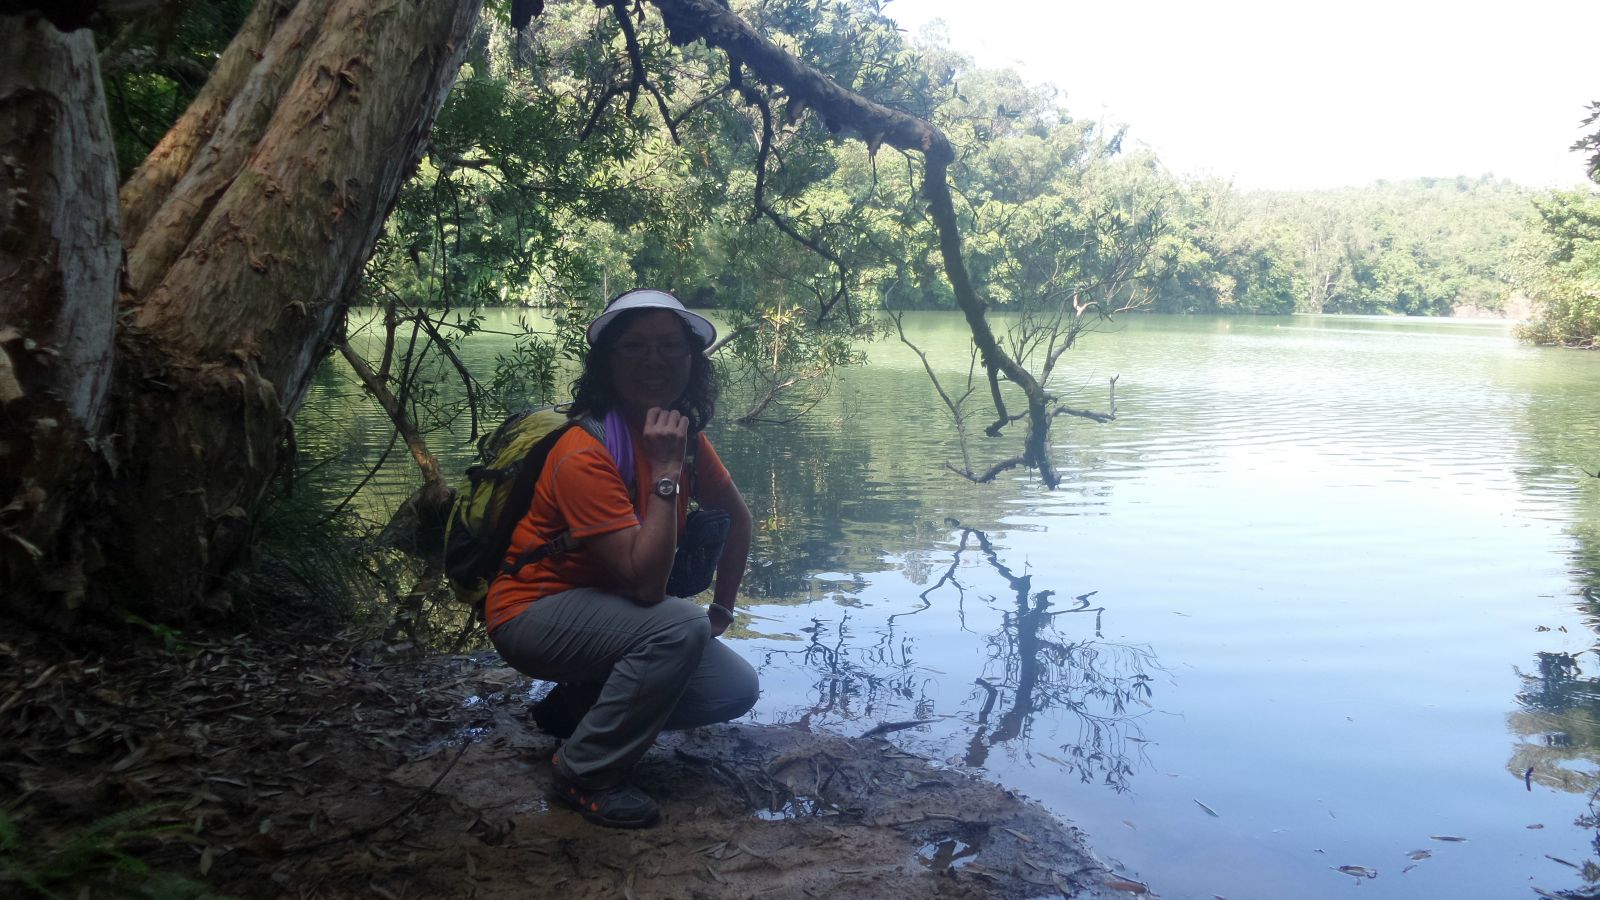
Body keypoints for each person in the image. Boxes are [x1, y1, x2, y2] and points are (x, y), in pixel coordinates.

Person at [484, 288, 759, 829]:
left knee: (732, 688)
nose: (654, 360)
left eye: (669, 346)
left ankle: (580, 712)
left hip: (611, 617)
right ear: (607, 362)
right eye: (634, 347)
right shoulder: (584, 452)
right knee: (678, 625)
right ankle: (584, 774)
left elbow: (739, 522)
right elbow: (646, 588)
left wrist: (723, 611)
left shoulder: (684, 438)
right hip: (533, 612)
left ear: (691, 360)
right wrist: (665, 472)